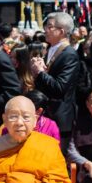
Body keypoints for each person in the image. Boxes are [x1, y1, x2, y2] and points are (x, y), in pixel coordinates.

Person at [30, 12, 82, 149]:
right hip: (46, 113)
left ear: (62, 31)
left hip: (59, 116)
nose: (45, 30)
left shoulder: (69, 54)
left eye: (50, 27)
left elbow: (60, 88)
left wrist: (40, 72)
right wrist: (37, 72)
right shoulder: (52, 49)